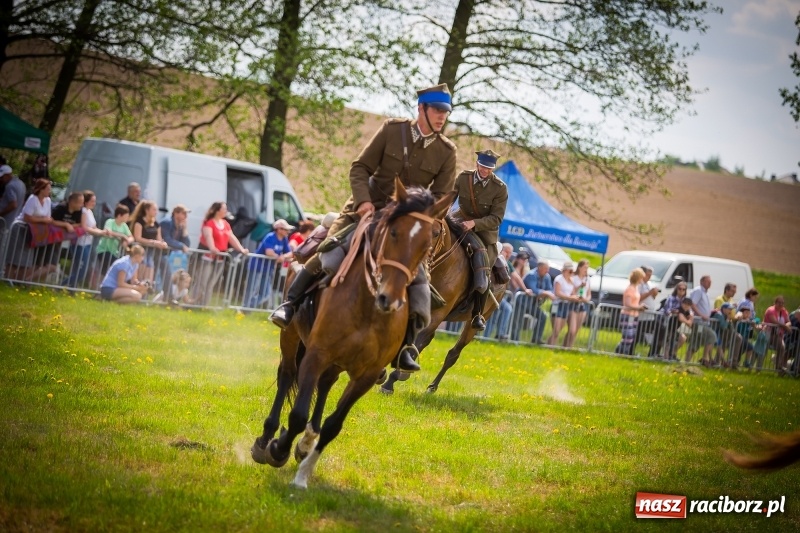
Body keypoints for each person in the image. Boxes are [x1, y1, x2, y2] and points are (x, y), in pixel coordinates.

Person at [270, 83, 457, 373]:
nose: (442, 117)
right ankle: (290, 306)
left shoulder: (446, 151)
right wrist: (363, 202)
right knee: (328, 252)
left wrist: (421, 221)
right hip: (368, 207)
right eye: (436, 110)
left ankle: (405, 346)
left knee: (421, 281)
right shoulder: (392, 131)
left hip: (404, 223)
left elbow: (441, 198)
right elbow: (359, 168)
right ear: (421, 108)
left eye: (446, 112)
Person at [450, 149, 508, 330]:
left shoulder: (500, 188)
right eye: (482, 167)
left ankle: (477, 313)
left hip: (485, 232)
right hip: (459, 220)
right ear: (477, 164)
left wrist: (474, 223)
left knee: (483, 265)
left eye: (488, 169)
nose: (484, 171)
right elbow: (449, 198)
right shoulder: (463, 177)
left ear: (492, 169)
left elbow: (496, 219)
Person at [191, 201, 249, 306]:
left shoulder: (225, 224)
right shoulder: (209, 222)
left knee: (211, 284)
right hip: (207, 258)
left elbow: (232, 238)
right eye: (224, 209)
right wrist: (212, 248)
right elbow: (208, 236)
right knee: (202, 282)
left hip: (220, 258)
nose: (226, 211)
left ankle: (204, 305)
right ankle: (193, 304)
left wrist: (241, 249)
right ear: (217, 210)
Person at [247, 219, 294, 308]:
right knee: (251, 290)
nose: (288, 232)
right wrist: (278, 257)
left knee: (265, 293)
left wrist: (282, 257)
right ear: (279, 229)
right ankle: (245, 308)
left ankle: (247, 307)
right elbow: (269, 252)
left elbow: (290, 253)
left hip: (268, 268)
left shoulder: (284, 239)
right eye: (286, 229)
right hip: (257, 266)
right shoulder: (270, 237)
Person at [64, 191, 106, 288]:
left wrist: (104, 232)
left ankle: (71, 289)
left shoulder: (90, 212)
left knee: (78, 269)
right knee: (82, 270)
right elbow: (84, 227)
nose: (94, 203)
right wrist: (99, 233)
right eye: (92, 201)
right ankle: (62, 285)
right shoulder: (83, 211)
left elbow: (94, 227)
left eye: (94, 201)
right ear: (86, 201)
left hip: (87, 243)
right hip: (80, 243)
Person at [130, 200, 169, 290]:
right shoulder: (139, 222)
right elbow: (138, 238)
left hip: (151, 253)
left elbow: (159, 238)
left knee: (150, 268)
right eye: (154, 209)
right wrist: (153, 242)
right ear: (147, 210)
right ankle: (137, 289)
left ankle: (145, 292)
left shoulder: (156, 224)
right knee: (141, 269)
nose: (156, 212)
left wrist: (163, 243)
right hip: (140, 252)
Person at [94, 204, 134, 287]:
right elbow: (108, 232)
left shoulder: (124, 226)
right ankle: (102, 288)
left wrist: (127, 241)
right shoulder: (110, 222)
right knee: (108, 269)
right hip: (104, 250)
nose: (127, 218)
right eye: (126, 216)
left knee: (107, 270)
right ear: (120, 215)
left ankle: (104, 288)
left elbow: (131, 237)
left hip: (114, 252)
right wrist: (122, 236)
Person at [547, 261, 582, 346]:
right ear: (565, 270)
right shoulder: (559, 279)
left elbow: (573, 292)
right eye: (570, 271)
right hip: (557, 305)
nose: (571, 273)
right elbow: (558, 293)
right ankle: (549, 346)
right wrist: (570, 298)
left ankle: (551, 345)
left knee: (559, 330)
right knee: (556, 330)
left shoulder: (571, 280)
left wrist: (576, 297)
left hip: (565, 306)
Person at [614, 268, 647, 355]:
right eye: (641, 278)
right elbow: (627, 304)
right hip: (627, 315)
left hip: (634, 316)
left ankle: (623, 353)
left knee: (631, 337)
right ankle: (619, 352)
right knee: (628, 337)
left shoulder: (636, 289)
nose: (642, 280)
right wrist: (638, 307)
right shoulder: (630, 289)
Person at [523, 259, 556, 344]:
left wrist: (544, 293)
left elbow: (550, 290)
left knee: (543, 316)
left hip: (533, 304)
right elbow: (534, 290)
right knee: (518, 321)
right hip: (523, 302)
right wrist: (545, 293)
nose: (547, 271)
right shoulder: (531, 275)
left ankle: (536, 339)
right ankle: (513, 339)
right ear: (539, 268)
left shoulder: (547, 276)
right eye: (546, 268)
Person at [565, 259, 592, 348]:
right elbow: (572, 291)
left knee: (576, 330)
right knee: (571, 330)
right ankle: (565, 346)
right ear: (579, 268)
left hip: (582, 305)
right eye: (584, 267)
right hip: (573, 304)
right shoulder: (573, 278)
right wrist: (580, 286)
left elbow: (589, 294)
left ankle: (569, 347)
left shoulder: (587, 280)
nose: (586, 270)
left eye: (587, 268)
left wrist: (586, 299)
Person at [764, 296, 792, 374]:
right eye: (779, 302)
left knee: (782, 347)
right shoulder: (771, 310)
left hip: (777, 335)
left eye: (782, 303)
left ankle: (778, 367)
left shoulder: (784, 311)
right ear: (775, 303)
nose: (781, 304)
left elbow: (789, 321)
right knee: (763, 350)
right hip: (768, 333)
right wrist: (785, 326)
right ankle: (757, 367)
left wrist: (787, 325)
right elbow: (774, 321)